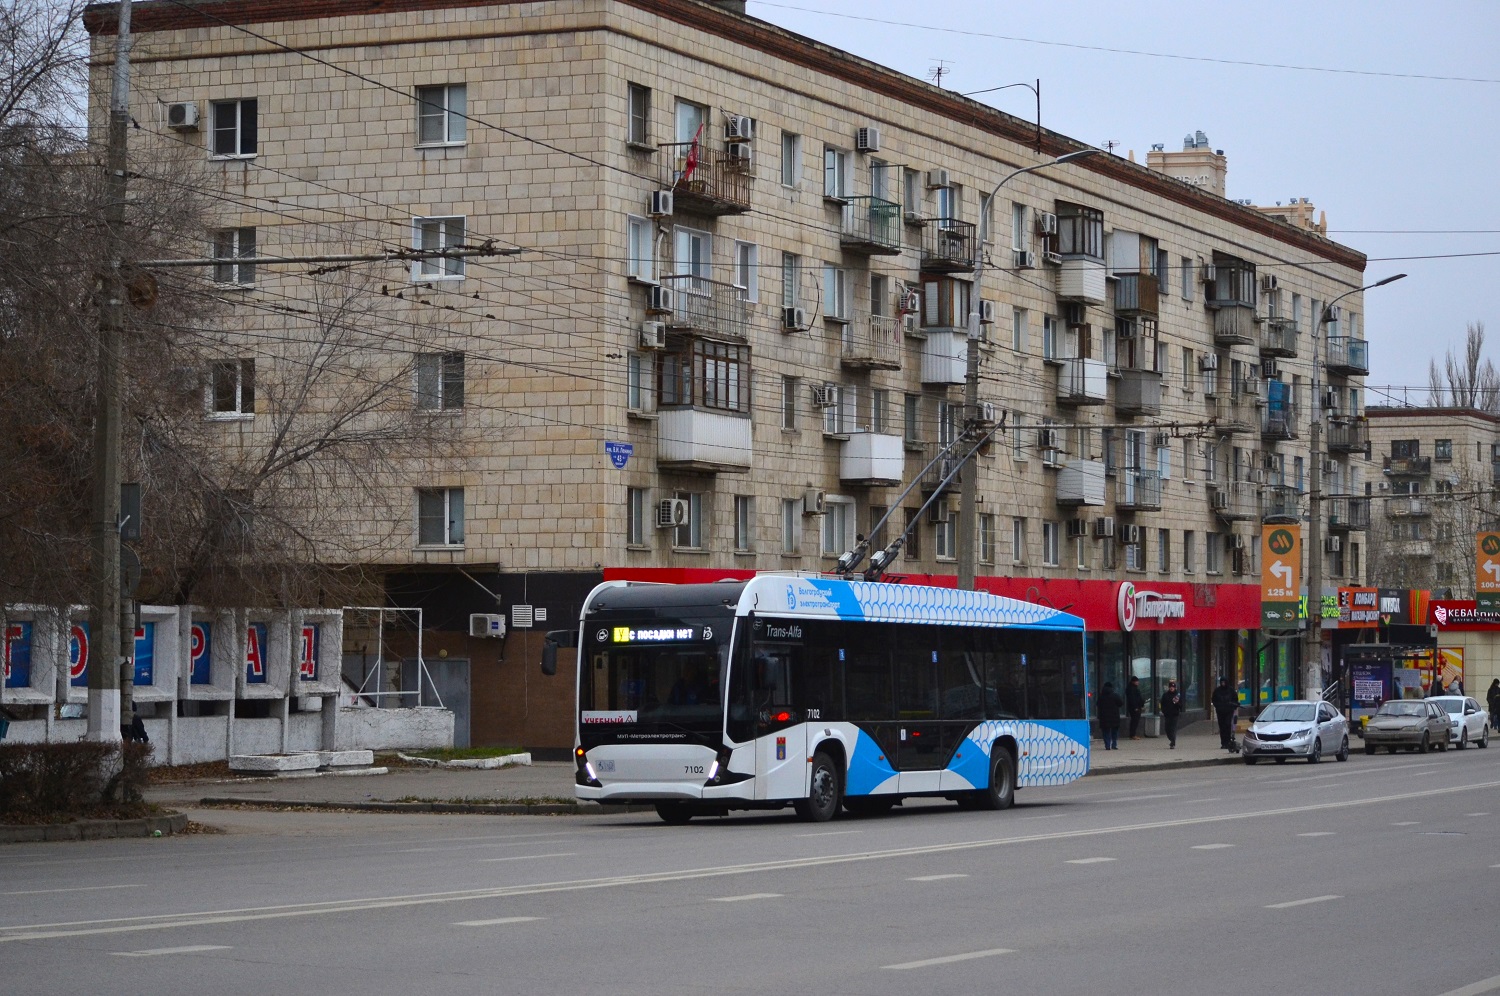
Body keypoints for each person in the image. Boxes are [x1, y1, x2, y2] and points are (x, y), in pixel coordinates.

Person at [1211, 677, 1238, 752]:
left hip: (1229, 711)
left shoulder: (1231, 690)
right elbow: (1214, 699)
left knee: (1227, 725)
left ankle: (1228, 742)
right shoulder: (1217, 690)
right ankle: (1223, 743)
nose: (1223, 684)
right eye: (1221, 682)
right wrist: (1218, 706)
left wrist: (1233, 705)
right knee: (1222, 726)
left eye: (1224, 682)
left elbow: (1235, 699)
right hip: (1220, 711)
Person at [1097, 682, 1123, 750]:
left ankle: (1107, 745)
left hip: (1104, 717)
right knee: (1114, 731)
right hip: (1114, 716)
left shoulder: (1101, 696)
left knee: (1106, 731)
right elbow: (1121, 703)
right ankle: (1114, 744)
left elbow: (1097, 704)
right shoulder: (1115, 695)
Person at [1159, 679, 1183, 749]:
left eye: (1173, 687)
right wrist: (1163, 711)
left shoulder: (1177, 695)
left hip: (1175, 714)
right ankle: (1171, 739)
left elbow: (1181, 706)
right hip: (1167, 714)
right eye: (1170, 687)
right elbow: (1162, 704)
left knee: (1173, 729)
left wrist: (1177, 703)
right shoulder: (1165, 695)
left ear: (1175, 688)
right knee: (1167, 729)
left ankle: (1173, 742)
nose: (1171, 688)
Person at [1125, 676, 1145, 740]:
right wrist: (1135, 707)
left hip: (1137, 706)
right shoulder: (1131, 689)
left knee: (1135, 720)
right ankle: (1132, 734)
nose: (1137, 682)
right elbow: (1132, 699)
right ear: (1133, 682)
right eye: (1136, 681)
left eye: (1138, 681)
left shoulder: (1134, 688)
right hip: (1134, 707)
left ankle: (1133, 734)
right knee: (1134, 720)